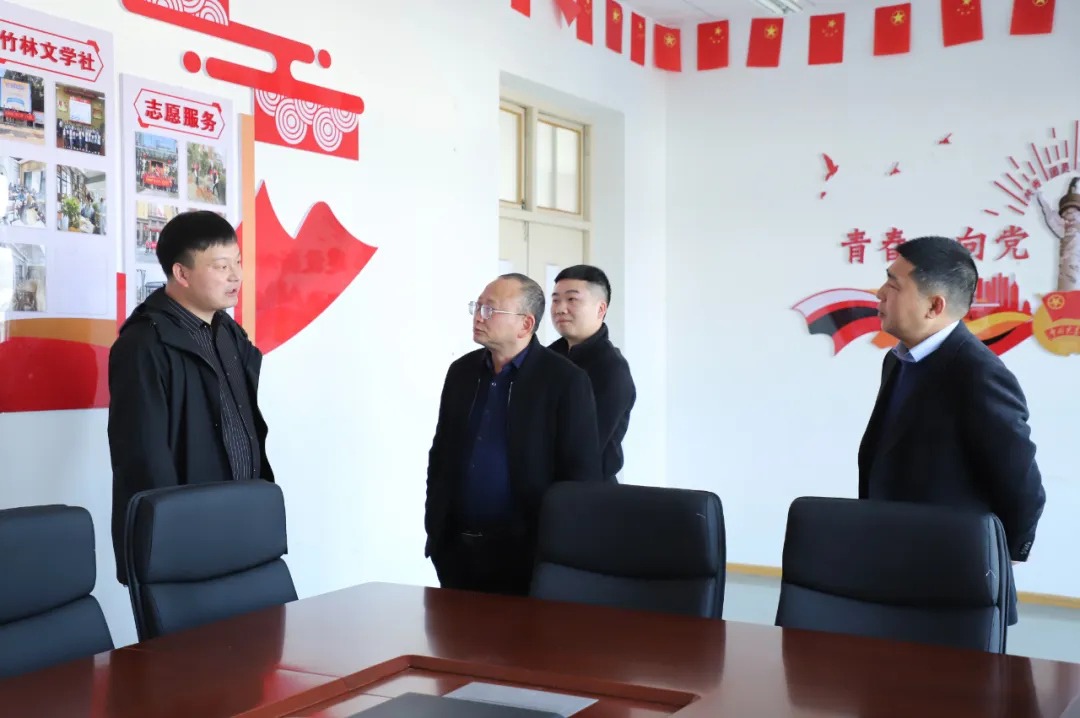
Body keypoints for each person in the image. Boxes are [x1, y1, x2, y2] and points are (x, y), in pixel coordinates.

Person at [859, 236, 1045, 624]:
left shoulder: (978, 373)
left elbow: (1020, 482)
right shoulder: (898, 361)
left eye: (893, 284)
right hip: (891, 566)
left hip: (953, 582)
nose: (880, 293)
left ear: (934, 306)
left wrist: (995, 558)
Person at [107, 210, 273, 584]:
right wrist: (170, 542)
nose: (236, 276)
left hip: (244, 524)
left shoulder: (229, 334)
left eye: (238, 262)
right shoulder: (143, 346)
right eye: (221, 266)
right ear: (181, 274)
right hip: (186, 542)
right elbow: (144, 460)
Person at [425, 273, 602, 596]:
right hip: (456, 549)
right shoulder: (462, 372)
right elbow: (441, 454)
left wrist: (561, 553)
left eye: (490, 309)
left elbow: (580, 477)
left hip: (526, 555)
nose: (479, 317)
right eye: (477, 307)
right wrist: (435, 527)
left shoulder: (565, 381)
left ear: (525, 324)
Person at [549, 265, 636, 481]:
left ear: (600, 309)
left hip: (587, 491)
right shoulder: (548, 357)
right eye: (556, 300)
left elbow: (586, 446)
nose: (560, 309)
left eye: (572, 299)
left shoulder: (611, 369)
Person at [1034, 177, 1080, 292]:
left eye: (1074, 212)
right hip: (1068, 267)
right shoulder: (1064, 229)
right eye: (1067, 213)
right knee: (1068, 289)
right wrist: (1041, 198)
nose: (1071, 215)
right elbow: (1049, 215)